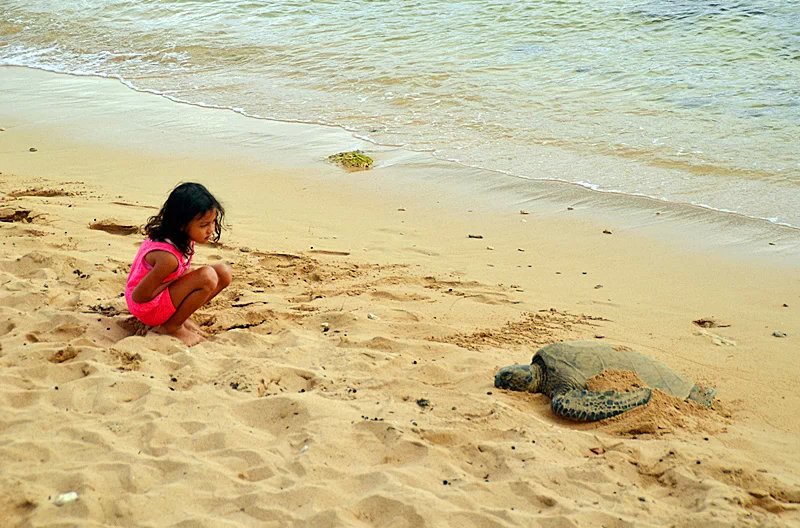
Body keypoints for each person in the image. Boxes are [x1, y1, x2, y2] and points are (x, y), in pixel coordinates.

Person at [125, 182, 232, 346]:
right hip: (147, 307)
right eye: (204, 225)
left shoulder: (182, 238)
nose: (211, 230)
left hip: (158, 298)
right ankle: (172, 326)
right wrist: (179, 278)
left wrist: (182, 278)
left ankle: (179, 317)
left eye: (213, 222)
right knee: (207, 277)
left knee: (223, 272)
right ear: (181, 225)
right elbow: (139, 296)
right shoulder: (168, 258)